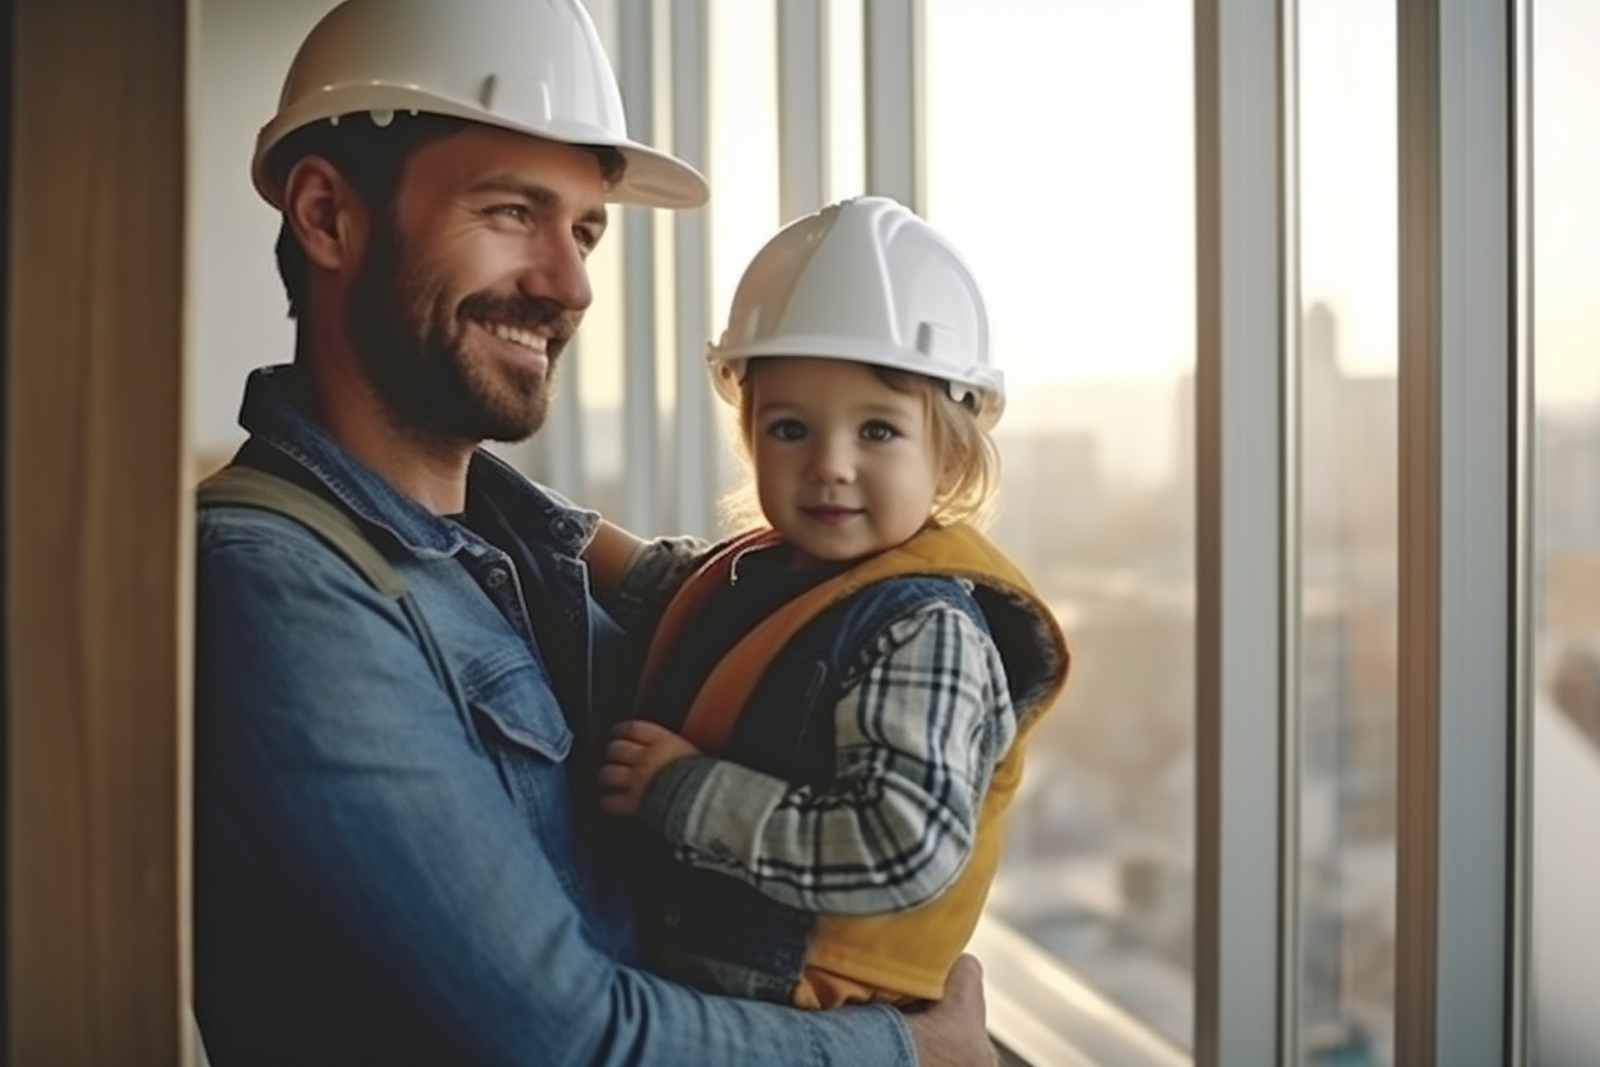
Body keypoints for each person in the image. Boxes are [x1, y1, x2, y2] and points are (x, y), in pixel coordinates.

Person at [192, 1, 997, 1064]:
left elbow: (759, 613)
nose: (569, 285)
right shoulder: (276, 589)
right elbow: (560, 1036)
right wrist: (905, 1051)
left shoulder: (517, 548)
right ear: (329, 215)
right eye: (511, 212)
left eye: (581, 230)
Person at [594, 196, 1071, 1011]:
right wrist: (518, 510)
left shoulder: (927, 630)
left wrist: (683, 791)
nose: (830, 465)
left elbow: (898, 844)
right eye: (789, 429)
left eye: (877, 432)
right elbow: (669, 587)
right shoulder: (777, 569)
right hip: (712, 981)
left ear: (948, 455)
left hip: (805, 1004)